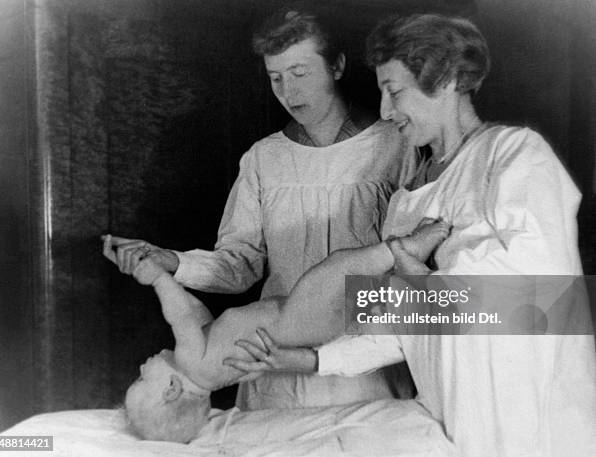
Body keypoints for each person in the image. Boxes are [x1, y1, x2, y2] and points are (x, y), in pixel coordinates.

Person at [226, 14, 596, 456]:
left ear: (449, 82)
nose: (384, 111)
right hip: (446, 413)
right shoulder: (407, 201)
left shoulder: (514, 155)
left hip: (529, 414)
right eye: (381, 91)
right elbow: (401, 324)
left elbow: (539, 300)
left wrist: (411, 270)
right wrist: (308, 359)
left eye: (395, 91)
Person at [104, 7, 410, 410]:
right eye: (276, 78)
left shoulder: (395, 145)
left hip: (363, 367)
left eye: (300, 73)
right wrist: (171, 262)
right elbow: (239, 265)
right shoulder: (263, 159)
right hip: (270, 362)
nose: (289, 91)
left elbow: (415, 271)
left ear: (336, 66)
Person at [115, 221, 450, 442]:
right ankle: (405, 249)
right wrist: (160, 279)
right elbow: (181, 318)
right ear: (172, 390)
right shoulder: (191, 361)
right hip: (296, 318)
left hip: (304, 327)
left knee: (362, 292)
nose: (141, 369)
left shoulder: (205, 368)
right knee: (339, 268)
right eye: (141, 379)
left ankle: (410, 271)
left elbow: (194, 313)